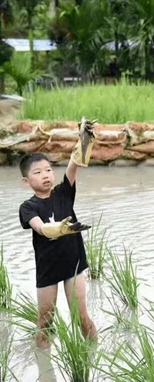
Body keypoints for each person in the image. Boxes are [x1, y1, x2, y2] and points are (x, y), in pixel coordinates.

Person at [18, 120, 98, 349]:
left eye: (48, 170)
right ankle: (43, 365)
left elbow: (73, 164)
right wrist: (61, 229)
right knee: (45, 321)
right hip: (48, 269)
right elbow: (40, 228)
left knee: (81, 318)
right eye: (37, 172)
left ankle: (94, 355)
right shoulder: (28, 207)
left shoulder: (64, 193)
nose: (45, 175)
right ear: (27, 181)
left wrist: (85, 139)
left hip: (73, 265)